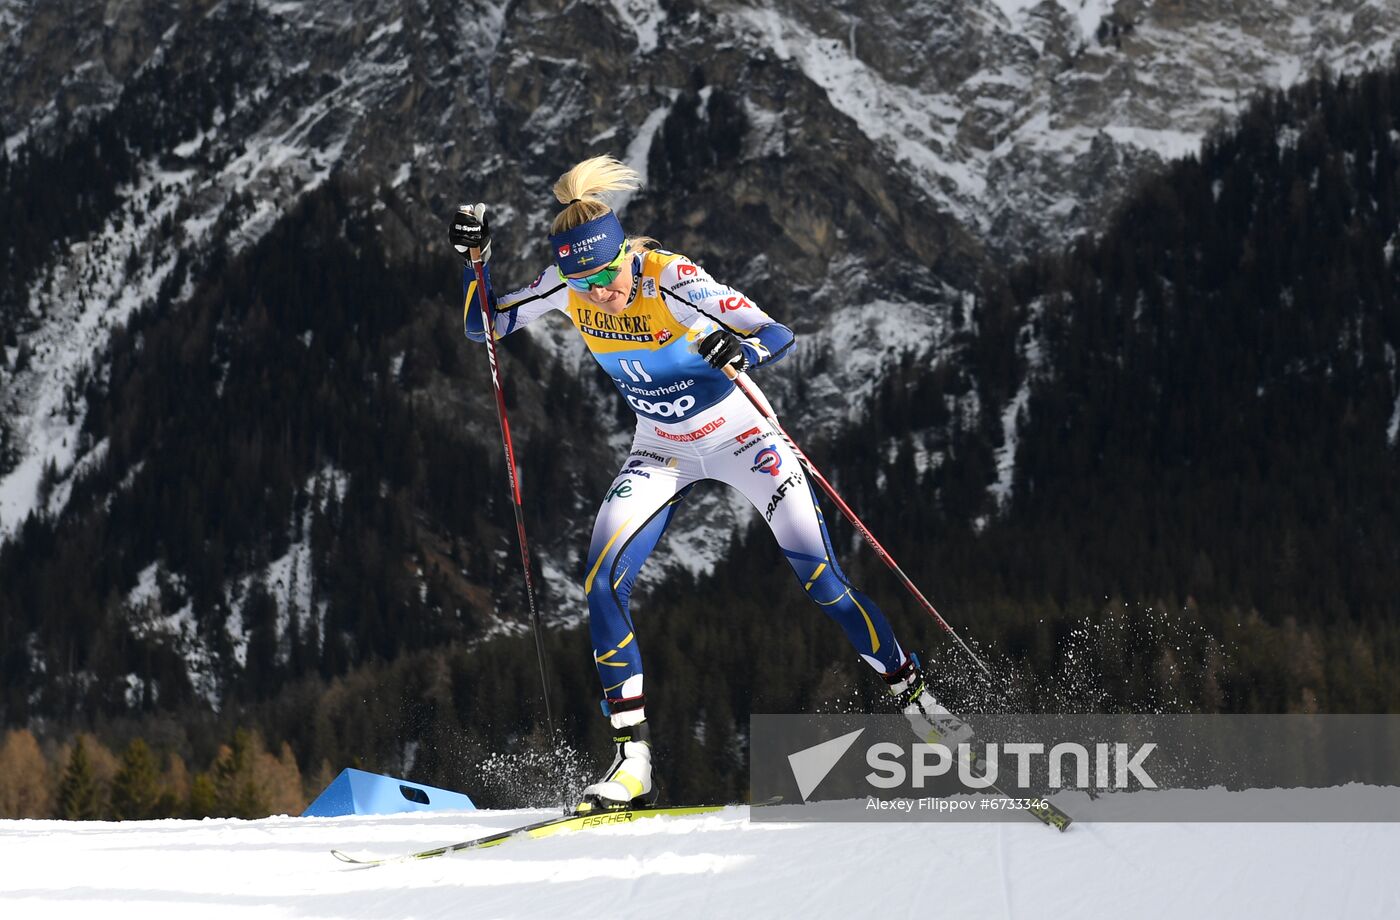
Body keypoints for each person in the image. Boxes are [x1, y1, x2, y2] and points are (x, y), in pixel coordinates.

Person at [450, 155, 950, 811]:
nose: (597, 292)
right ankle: (632, 766)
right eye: (581, 283)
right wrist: (474, 267)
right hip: (662, 449)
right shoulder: (567, 285)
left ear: (624, 254)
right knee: (601, 583)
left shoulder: (670, 275)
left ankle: (916, 698)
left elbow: (775, 331)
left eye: (604, 275)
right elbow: (481, 325)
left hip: (742, 437)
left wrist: (741, 351)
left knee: (823, 581)